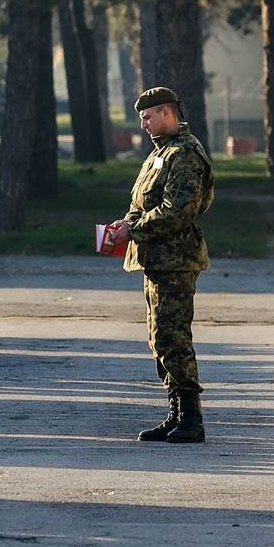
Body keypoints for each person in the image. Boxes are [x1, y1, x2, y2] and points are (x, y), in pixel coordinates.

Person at [106, 87, 215, 444]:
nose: (144, 124)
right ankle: (175, 414)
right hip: (155, 259)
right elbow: (142, 202)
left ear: (168, 112)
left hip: (176, 261)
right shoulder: (160, 154)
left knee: (175, 337)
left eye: (149, 116)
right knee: (160, 338)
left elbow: (178, 210)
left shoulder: (184, 153)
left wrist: (134, 228)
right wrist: (124, 225)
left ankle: (192, 418)